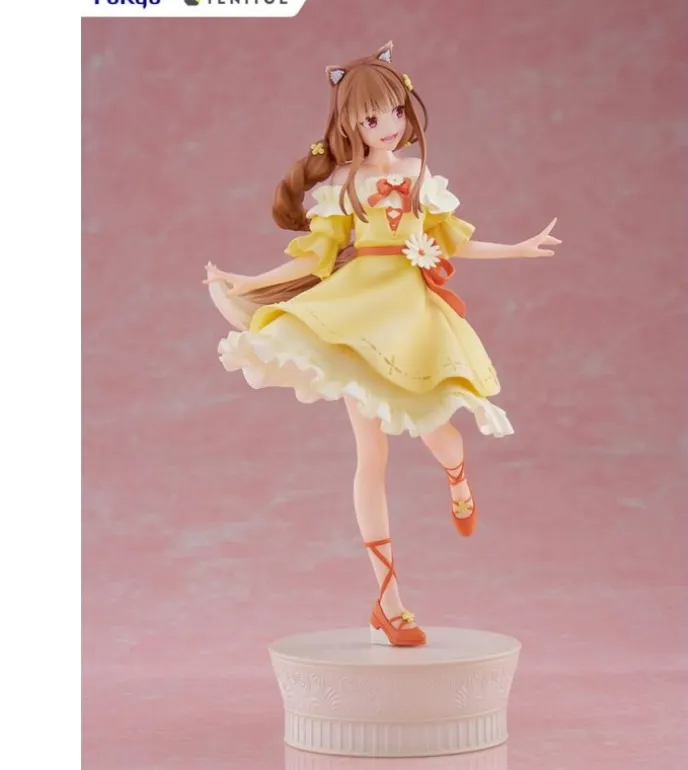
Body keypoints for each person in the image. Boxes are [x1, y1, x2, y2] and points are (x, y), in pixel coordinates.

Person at [204, 41, 560, 647]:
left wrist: (517, 249)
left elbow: (454, 240)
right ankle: (389, 601)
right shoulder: (344, 185)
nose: (388, 127)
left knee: (439, 431)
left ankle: (457, 478)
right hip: (355, 317)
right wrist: (248, 281)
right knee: (371, 457)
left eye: (395, 112)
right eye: (372, 119)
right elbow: (316, 259)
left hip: (411, 318)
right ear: (350, 125)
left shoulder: (419, 175)